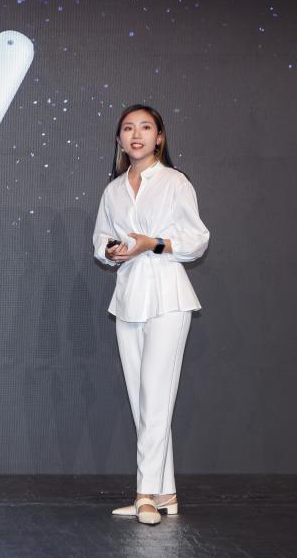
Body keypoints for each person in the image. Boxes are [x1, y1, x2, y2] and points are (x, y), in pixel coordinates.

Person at [93, 104, 210, 525]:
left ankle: (145, 495)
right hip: (129, 299)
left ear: (159, 137)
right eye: (128, 128)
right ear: (119, 140)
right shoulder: (113, 190)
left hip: (168, 298)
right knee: (142, 401)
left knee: (156, 398)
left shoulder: (176, 182)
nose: (136, 134)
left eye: (145, 127)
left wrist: (152, 243)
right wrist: (111, 250)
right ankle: (166, 493)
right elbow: (100, 241)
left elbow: (196, 239)